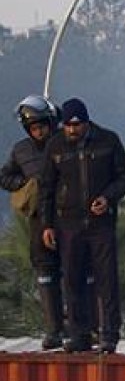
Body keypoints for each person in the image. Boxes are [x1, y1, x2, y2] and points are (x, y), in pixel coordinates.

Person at [39, 98, 125, 354]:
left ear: (86, 122)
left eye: (76, 125)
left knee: (106, 279)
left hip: (101, 223)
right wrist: (46, 225)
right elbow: (46, 187)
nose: (71, 130)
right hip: (68, 223)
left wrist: (108, 197)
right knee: (72, 279)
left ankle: (109, 334)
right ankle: (79, 334)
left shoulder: (108, 140)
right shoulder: (55, 146)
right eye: (67, 125)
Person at [0, 96, 64, 348]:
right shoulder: (21, 150)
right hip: (38, 219)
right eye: (33, 128)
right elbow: (4, 176)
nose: (38, 132)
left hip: (66, 216)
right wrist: (26, 185)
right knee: (45, 273)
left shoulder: (63, 144)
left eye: (42, 126)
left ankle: (84, 327)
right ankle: (53, 330)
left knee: (75, 271)